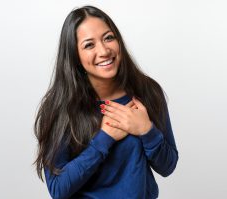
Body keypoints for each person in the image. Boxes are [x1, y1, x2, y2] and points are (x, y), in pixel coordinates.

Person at [34, 5, 178, 199]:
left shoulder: (147, 92)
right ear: (75, 56)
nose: (103, 50)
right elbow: (58, 189)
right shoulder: (60, 107)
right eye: (89, 45)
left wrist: (146, 130)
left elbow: (167, 166)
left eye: (108, 38)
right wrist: (104, 139)